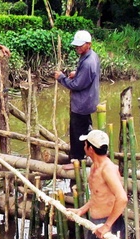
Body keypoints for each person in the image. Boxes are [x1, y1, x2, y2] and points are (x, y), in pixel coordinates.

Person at [54, 30, 100, 170]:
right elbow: (87, 75)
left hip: (81, 104)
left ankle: (77, 160)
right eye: (76, 45)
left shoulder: (88, 62)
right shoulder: (91, 56)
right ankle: (84, 155)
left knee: (77, 132)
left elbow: (77, 85)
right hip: (89, 100)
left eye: (81, 45)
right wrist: (77, 73)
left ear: (89, 44)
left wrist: (61, 77)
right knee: (85, 130)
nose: (78, 48)